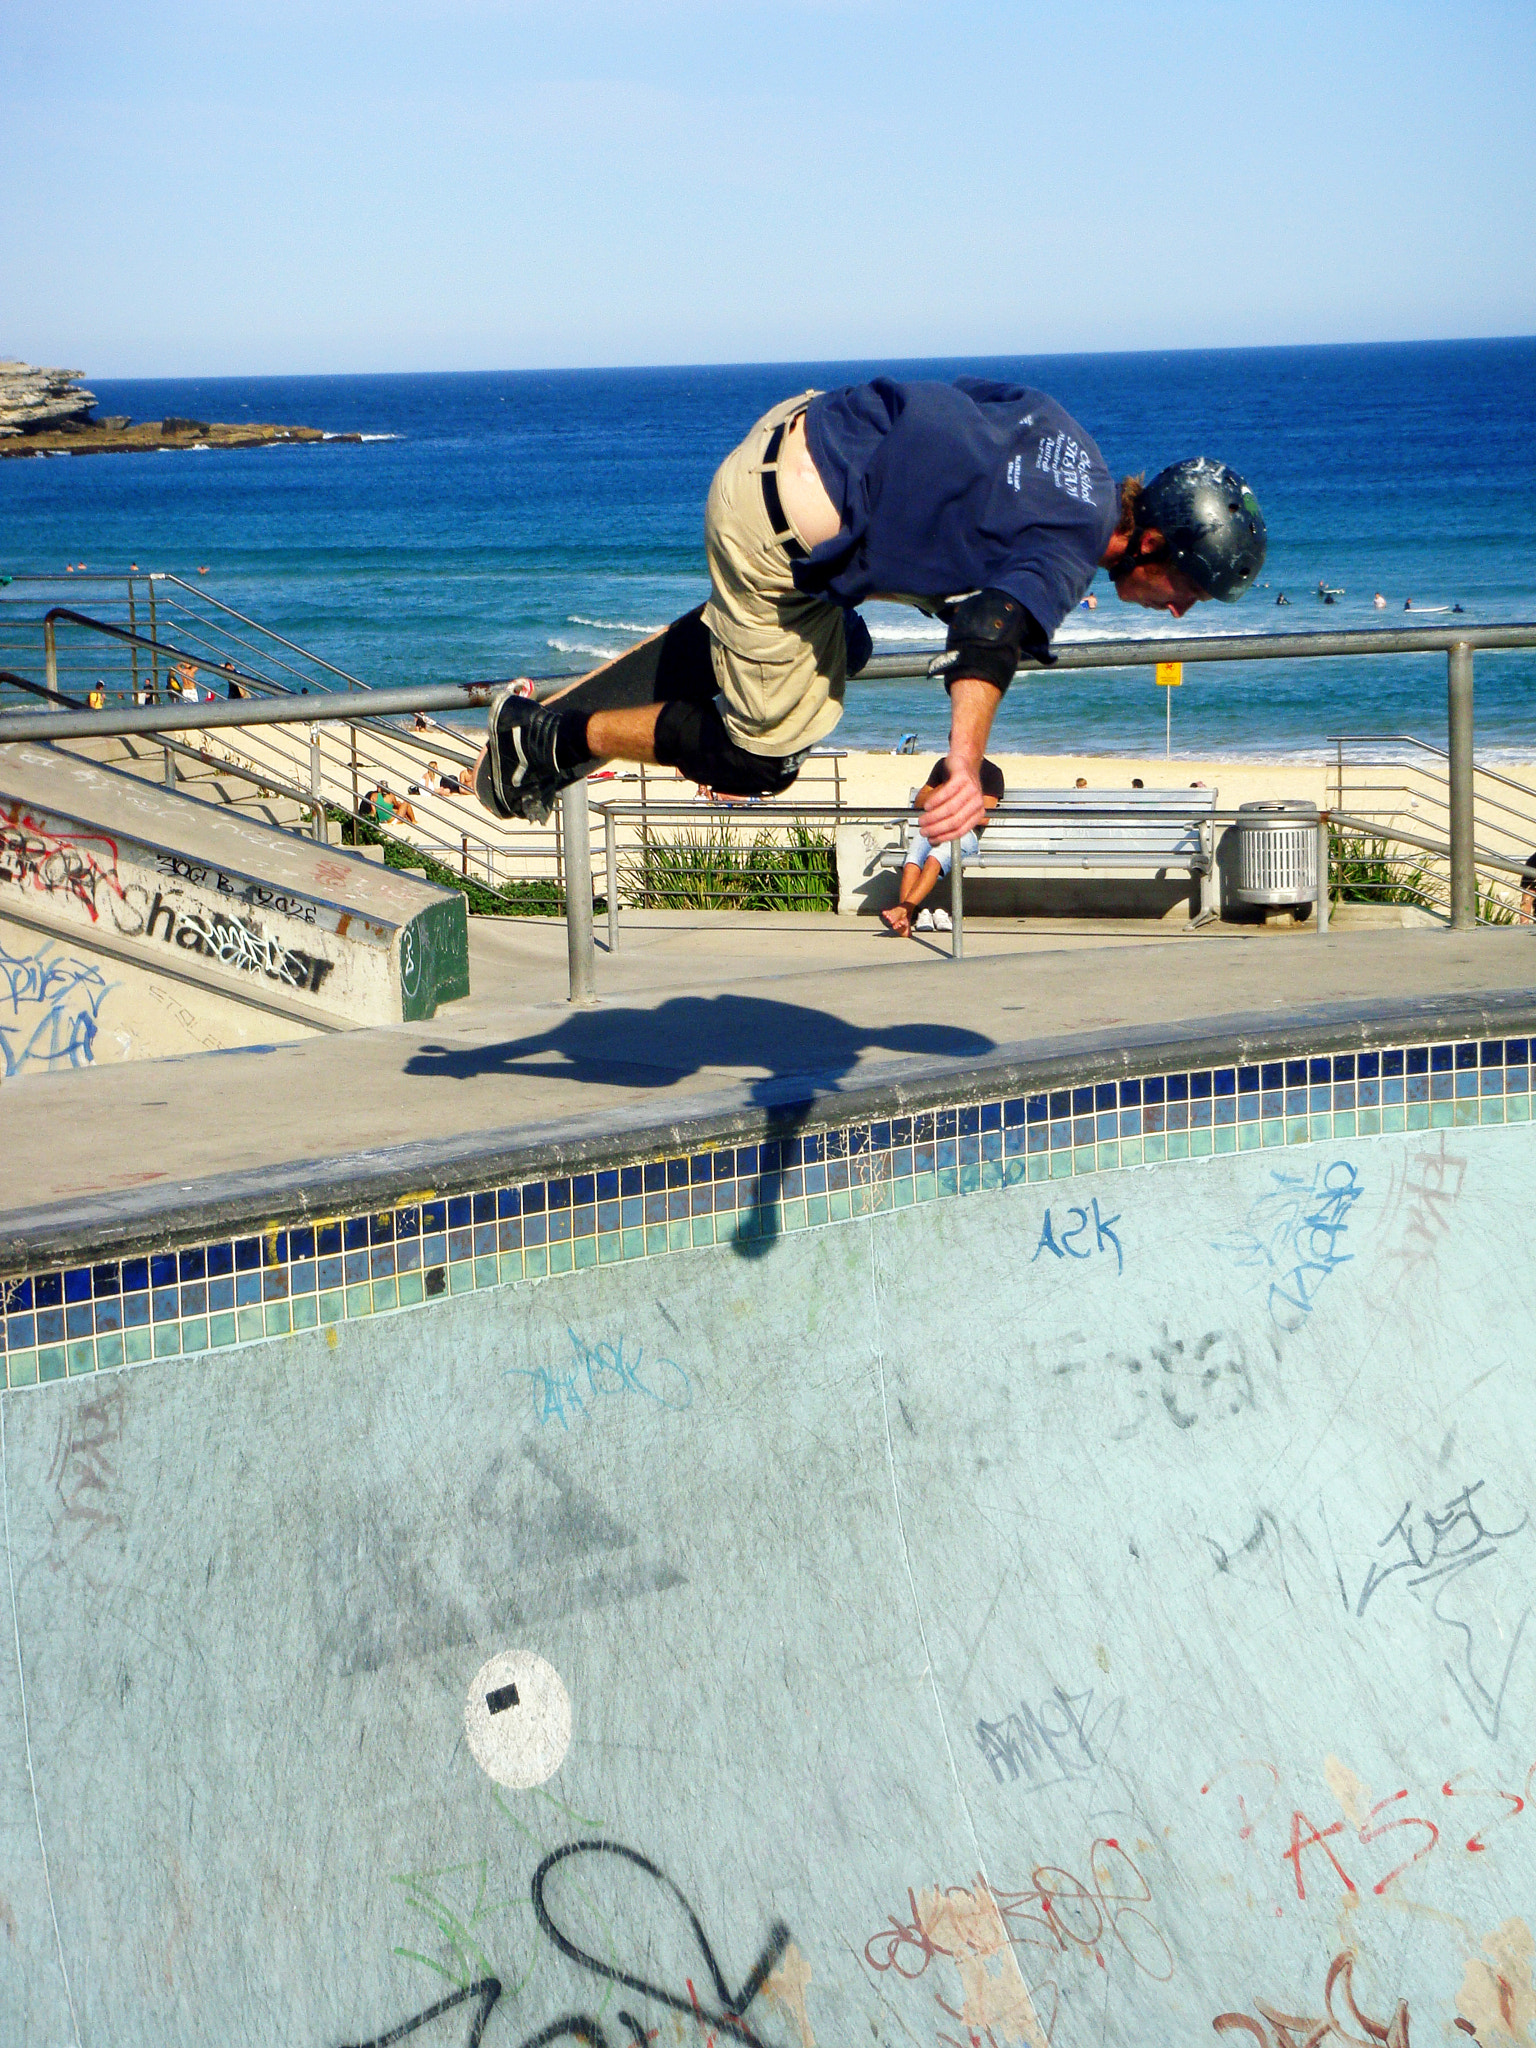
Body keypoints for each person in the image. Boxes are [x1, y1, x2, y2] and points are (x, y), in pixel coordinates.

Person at [479, 377, 1266, 849]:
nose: (1176, 614)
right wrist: (963, 764)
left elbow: (951, 433)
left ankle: (746, 635)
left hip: (791, 435)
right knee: (763, 760)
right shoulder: (1071, 539)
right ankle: (544, 738)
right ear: (1152, 541)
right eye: (1185, 591)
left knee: (845, 647)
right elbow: (989, 636)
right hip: (770, 535)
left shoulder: (1066, 437)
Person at [880, 758, 1004, 937]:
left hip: (965, 832)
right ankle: (904, 922)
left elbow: (983, 816)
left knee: (934, 858)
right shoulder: (943, 766)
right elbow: (920, 801)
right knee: (912, 860)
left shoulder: (990, 772)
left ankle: (904, 909)